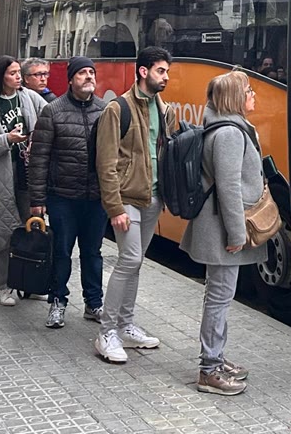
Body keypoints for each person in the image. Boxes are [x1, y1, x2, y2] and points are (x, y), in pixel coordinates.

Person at [180, 70, 267, 396]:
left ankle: (216, 357)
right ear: (234, 98)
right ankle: (210, 369)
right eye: (249, 91)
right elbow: (229, 187)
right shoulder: (229, 133)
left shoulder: (226, 127)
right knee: (219, 297)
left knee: (219, 294)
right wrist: (236, 234)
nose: (253, 96)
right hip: (220, 227)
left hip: (219, 224)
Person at [94, 46, 178, 363]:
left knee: (137, 261)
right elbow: (105, 163)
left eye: (167, 72)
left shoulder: (164, 109)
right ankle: (107, 332)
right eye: (160, 71)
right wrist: (114, 208)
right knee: (129, 259)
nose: (166, 77)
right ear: (143, 71)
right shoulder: (118, 109)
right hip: (127, 197)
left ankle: (125, 325)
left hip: (152, 197)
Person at [27, 56, 108, 328]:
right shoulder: (53, 111)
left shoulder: (105, 110)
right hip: (62, 197)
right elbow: (39, 158)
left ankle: (94, 303)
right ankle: (57, 302)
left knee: (93, 253)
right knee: (61, 252)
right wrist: (37, 200)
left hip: (96, 197)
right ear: (71, 79)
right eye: (82, 73)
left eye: (91, 72)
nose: (89, 77)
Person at [0, 56, 47, 306]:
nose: (18, 77)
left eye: (19, 73)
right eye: (12, 73)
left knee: (32, 229)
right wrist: (6, 139)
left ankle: (31, 284)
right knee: (3, 235)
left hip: (27, 173)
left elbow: (50, 118)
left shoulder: (29, 98)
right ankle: (5, 286)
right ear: (1, 76)